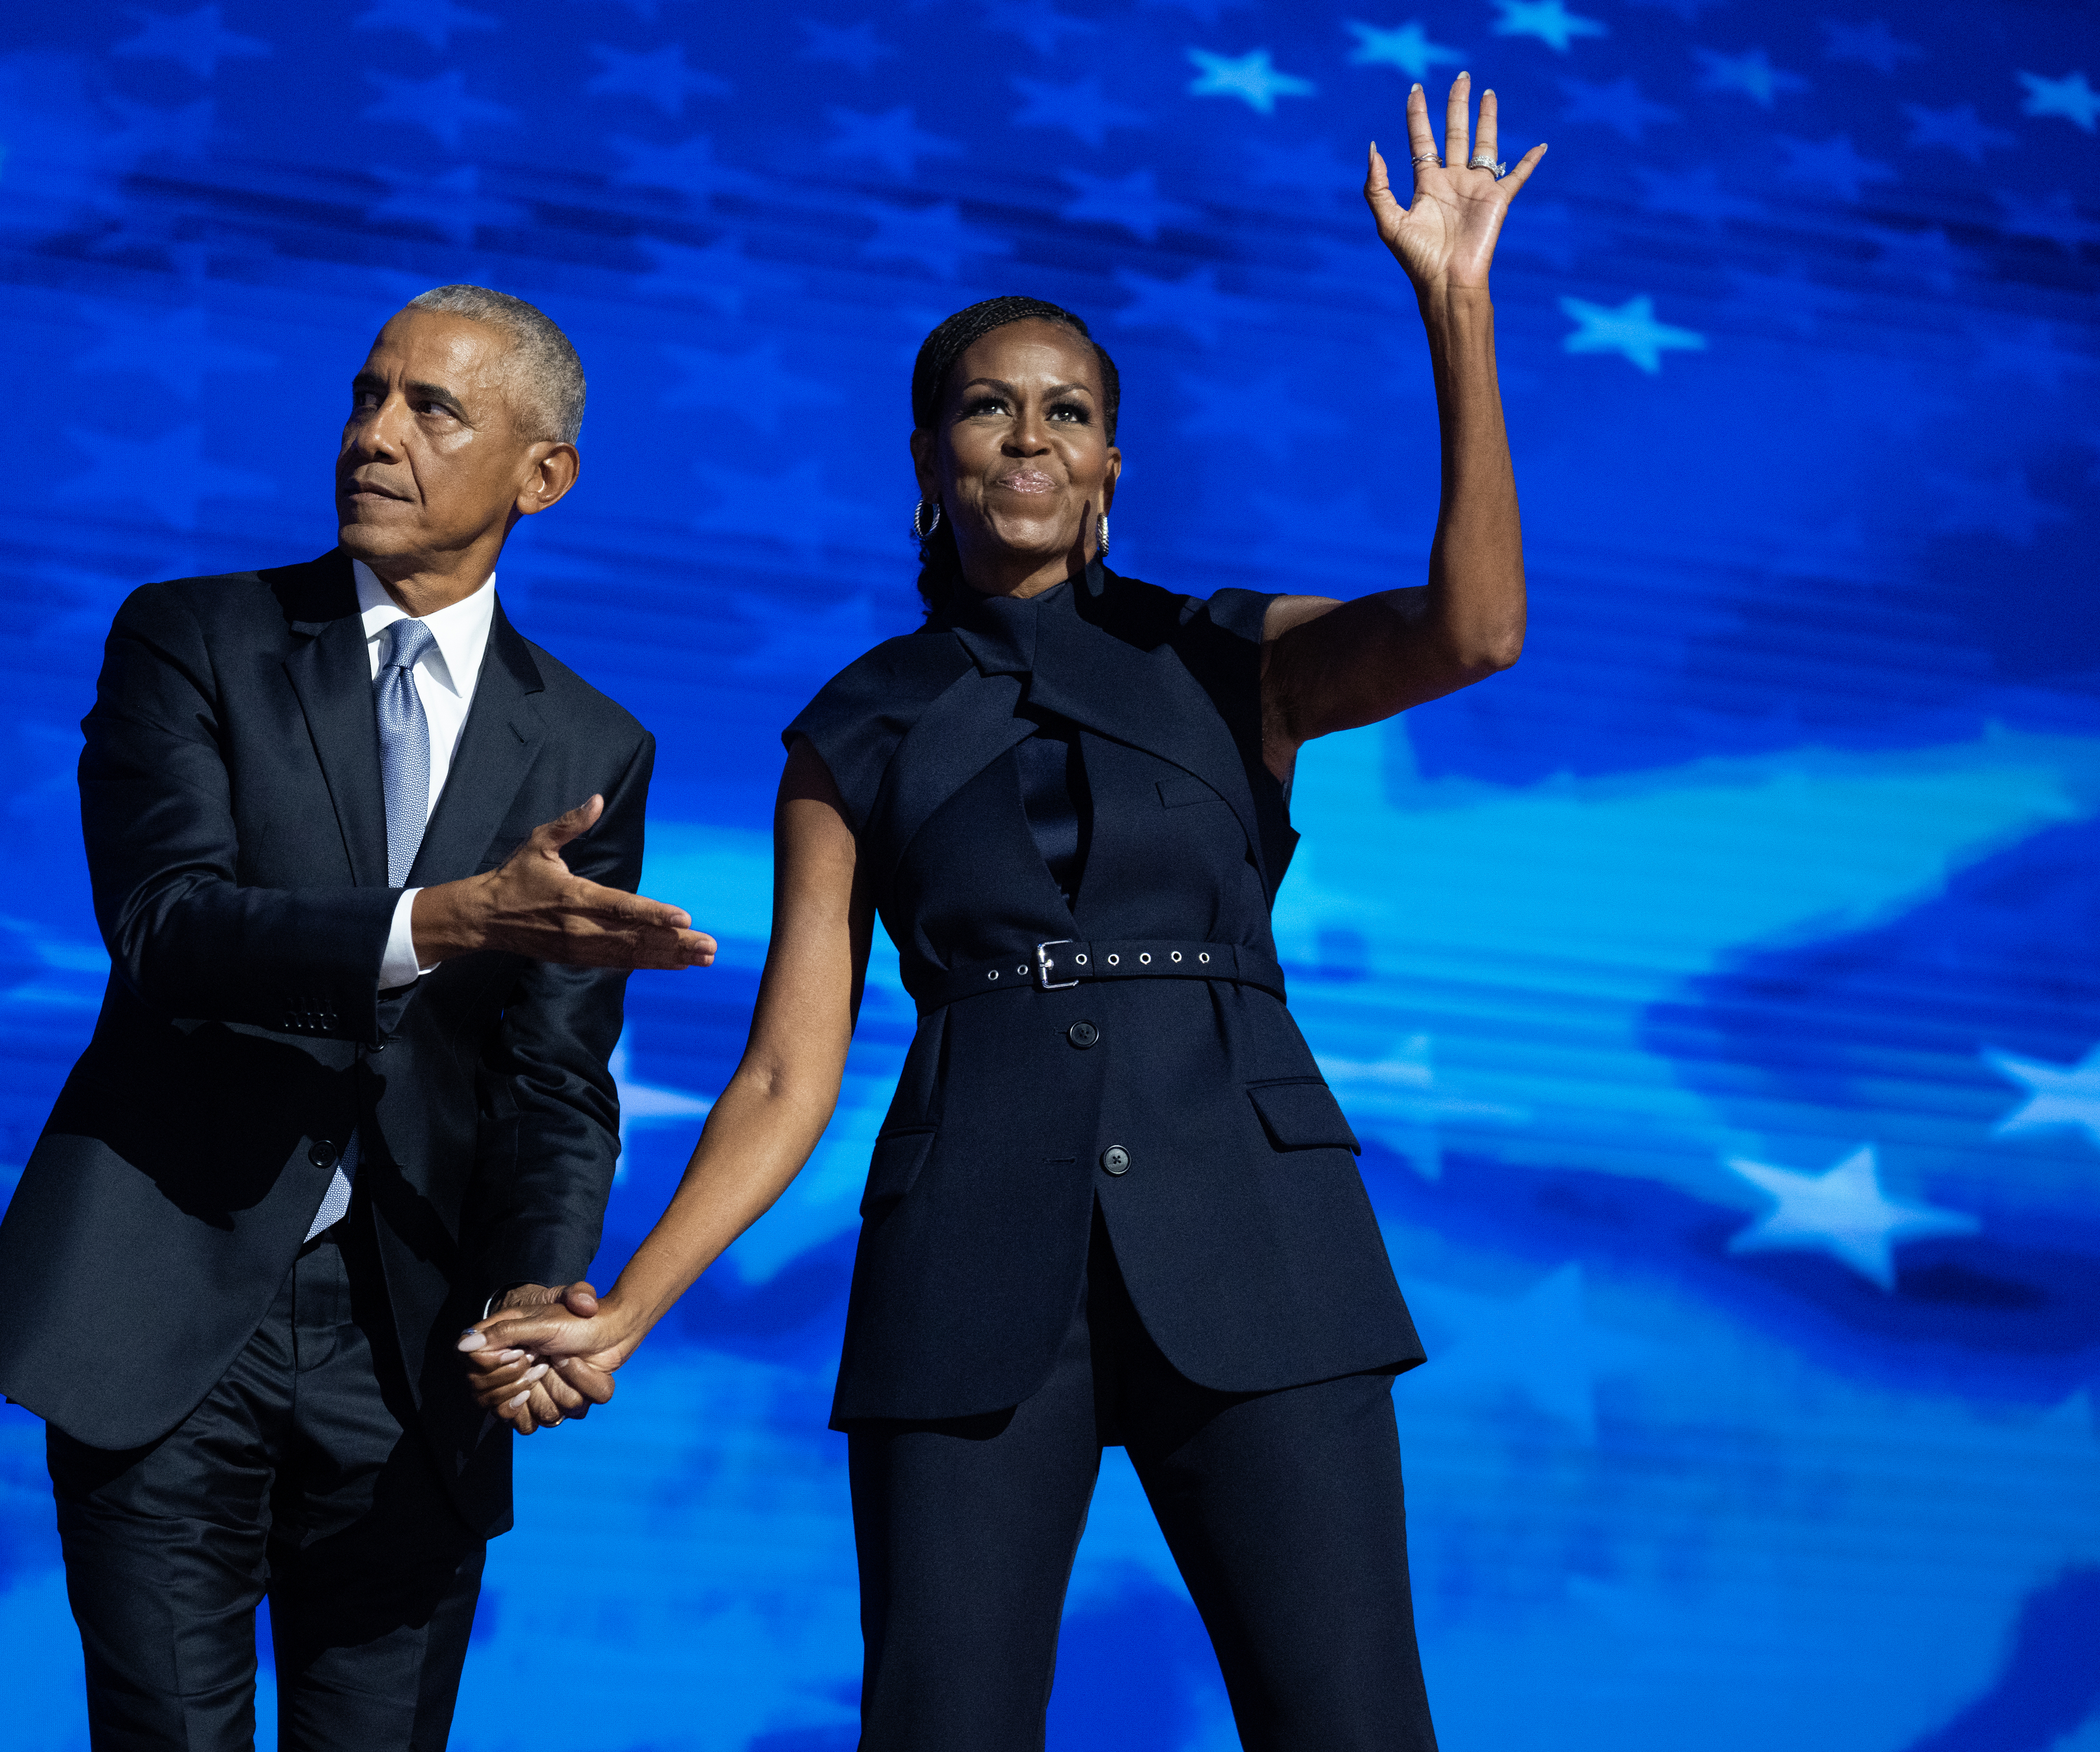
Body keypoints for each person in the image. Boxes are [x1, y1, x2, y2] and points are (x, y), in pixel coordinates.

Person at [464, 81, 1542, 1749]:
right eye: (987, 408)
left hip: (1260, 1244)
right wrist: (626, 1304)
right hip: (967, 1269)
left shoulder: (1227, 657)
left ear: (1113, 459)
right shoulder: (853, 728)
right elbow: (781, 1074)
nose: (1027, 438)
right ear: (929, 454)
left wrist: (1453, 309)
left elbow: (1473, 632)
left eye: (1065, 411)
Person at [0, 284, 715, 1752]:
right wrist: (447, 919)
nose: (376, 433)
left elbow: (554, 1077)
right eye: (367, 394)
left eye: (434, 408)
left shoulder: (592, 743)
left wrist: (536, 1290)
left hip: (419, 1347)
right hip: (165, 1307)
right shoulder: (195, 637)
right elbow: (167, 929)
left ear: (540, 476)